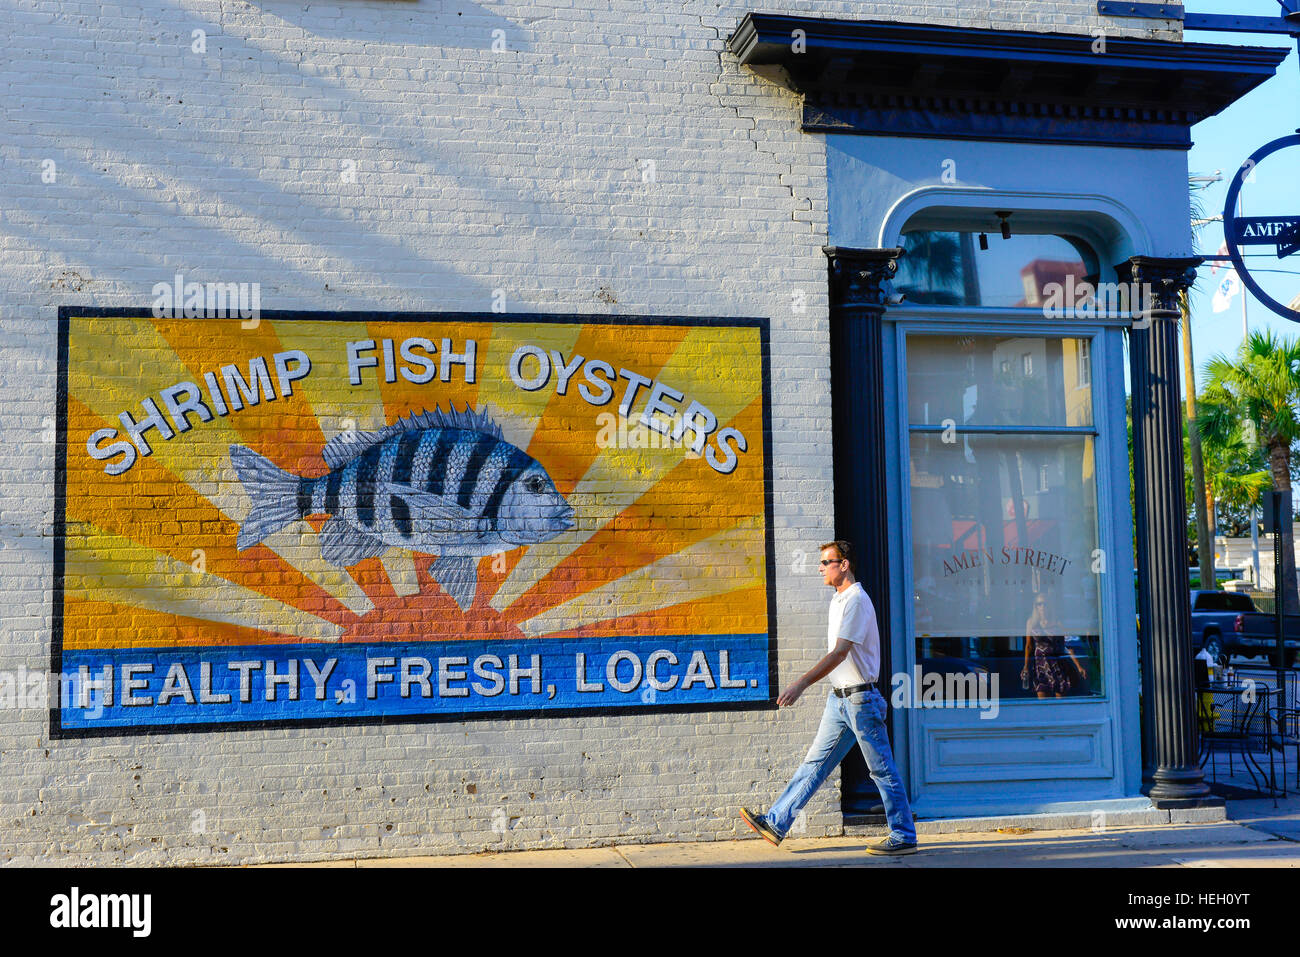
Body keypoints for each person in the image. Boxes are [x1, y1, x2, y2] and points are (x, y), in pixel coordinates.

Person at [739, 540, 918, 855]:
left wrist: (801, 683)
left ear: (844, 564)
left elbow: (839, 653)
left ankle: (904, 835)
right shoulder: (838, 600)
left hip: (860, 701)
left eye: (826, 562)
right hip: (840, 701)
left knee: (881, 769)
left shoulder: (856, 600)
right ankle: (776, 822)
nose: (820, 568)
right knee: (815, 764)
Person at [1020, 593, 1086, 698]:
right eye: (1039, 604)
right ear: (1035, 606)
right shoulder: (1031, 622)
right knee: (1042, 701)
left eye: (1045, 604)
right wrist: (1026, 667)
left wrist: (1078, 666)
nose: (1042, 607)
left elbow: (1068, 645)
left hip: (1056, 664)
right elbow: (1029, 646)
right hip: (1040, 666)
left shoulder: (1057, 622)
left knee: (1060, 701)